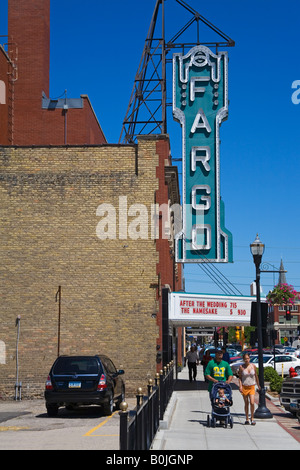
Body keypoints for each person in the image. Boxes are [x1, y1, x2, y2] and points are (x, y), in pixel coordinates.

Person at [238, 352, 260, 425]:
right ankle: (247, 418)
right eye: (245, 359)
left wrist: (258, 385)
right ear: (243, 359)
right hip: (244, 386)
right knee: (246, 403)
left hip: (252, 386)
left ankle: (252, 418)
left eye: (248, 358)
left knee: (252, 402)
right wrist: (240, 386)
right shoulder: (241, 367)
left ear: (249, 359)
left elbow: (256, 376)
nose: (247, 360)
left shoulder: (253, 366)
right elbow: (240, 378)